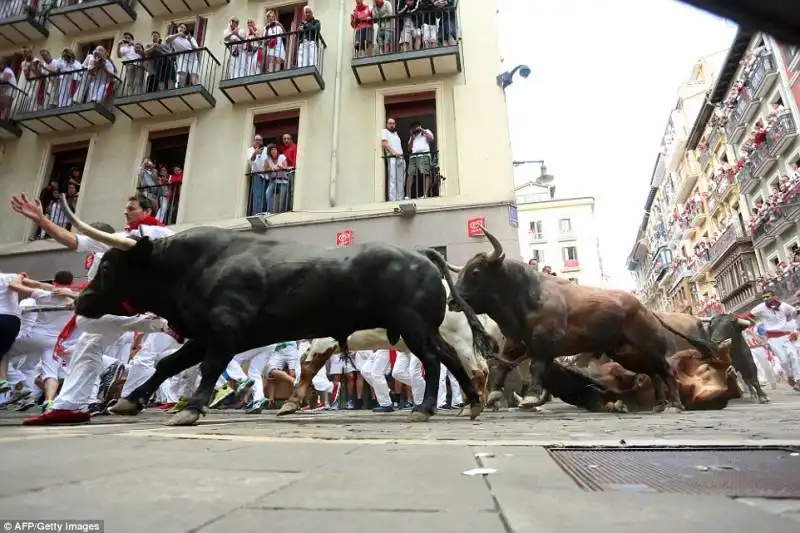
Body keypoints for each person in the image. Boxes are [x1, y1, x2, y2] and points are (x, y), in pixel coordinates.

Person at [9, 193, 178, 424]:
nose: (126, 212)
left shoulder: (157, 236)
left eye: (131, 208)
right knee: (86, 346)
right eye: (126, 208)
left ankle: (159, 325)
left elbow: (74, 240)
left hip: (137, 305)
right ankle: (71, 406)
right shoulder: (121, 240)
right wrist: (40, 220)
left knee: (85, 324)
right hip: (121, 306)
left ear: (147, 211)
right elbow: (74, 241)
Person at [744, 290, 800, 392]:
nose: (765, 299)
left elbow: (793, 313)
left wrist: (794, 329)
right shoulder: (760, 307)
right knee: (783, 360)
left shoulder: (784, 306)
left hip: (786, 336)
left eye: (767, 296)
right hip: (773, 339)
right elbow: (747, 316)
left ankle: (798, 380)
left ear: (774, 296)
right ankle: (790, 376)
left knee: (793, 355)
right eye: (763, 298)